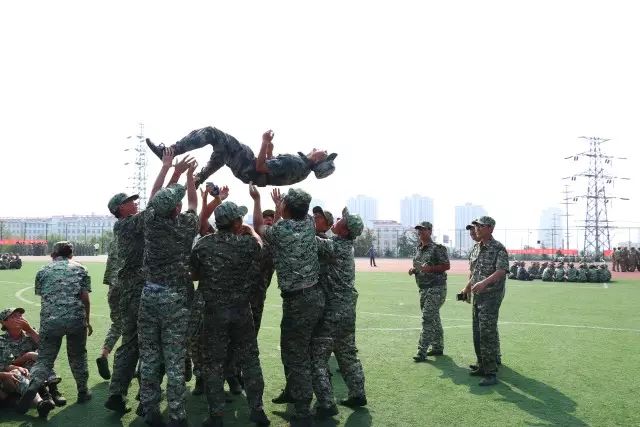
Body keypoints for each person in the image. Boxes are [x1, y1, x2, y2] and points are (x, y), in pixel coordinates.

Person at [106, 149, 192, 414]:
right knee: (143, 345)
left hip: (132, 289)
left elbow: (158, 204)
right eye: (129, 201)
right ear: (119, 210)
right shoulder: (128, 224)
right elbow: (158, 202)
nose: (135, 203)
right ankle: (140, 398)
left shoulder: (130, 225)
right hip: (138, 291)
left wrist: (174, 173)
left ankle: (120, 394)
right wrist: (170, 170)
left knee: (136, 344)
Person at [250, 184, 325, 427]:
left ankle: (303, 410)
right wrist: (281, 206)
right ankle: (298, 393)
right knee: (302, 350)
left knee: (296, 354)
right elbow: (285, 224)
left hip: (297, 302)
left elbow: (260, 227)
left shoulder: (281, 229)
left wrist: (257, 200)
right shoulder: (309, 225)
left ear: (287, 208)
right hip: (314, 297)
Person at [190, 201, 270, 427]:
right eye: (239, 219)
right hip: (242, 312)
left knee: (213, 364)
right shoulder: (247, 244)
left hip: (214, 313)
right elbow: (260, 245)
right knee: (250, 361)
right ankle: (257, 410)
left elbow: (194, 274)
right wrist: (252, 230)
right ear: (235, 223)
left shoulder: (203, 245)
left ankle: (216, 415)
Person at [137, 159, 199, 427]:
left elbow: (154, 198)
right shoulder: (185, 226)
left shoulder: (150, 222)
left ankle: (149, 408)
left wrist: (170, 171)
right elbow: (195, 205)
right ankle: (176, 414)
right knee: (175, 357)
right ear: (177, 208)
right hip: (174, 298)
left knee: (150, 356)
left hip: (149, 296)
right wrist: (190, 179)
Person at [16, 241, 93, 414]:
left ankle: (33, 386)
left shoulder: (43, 271)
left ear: (53, 254)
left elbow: (43, 295)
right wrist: (87, 320)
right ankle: (83, 392)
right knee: (78, 356)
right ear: (71, 254)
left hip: (51, 322)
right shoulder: (81, 269)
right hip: (75, 320)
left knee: (44, 358)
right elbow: (85, 299)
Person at [146, 127, 337, 187]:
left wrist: (263, 142)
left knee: (213, 134)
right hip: (248, 172)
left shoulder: (296, 163)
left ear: (318, 161)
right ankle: (197, 180)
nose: (322, 149)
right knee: (221, 153)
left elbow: (262, 167)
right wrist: (269, 149)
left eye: (324, 154)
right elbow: (270, 166)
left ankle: (169, 151)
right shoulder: (300, 168)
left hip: (249, 167)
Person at [460, 216, 508, 387]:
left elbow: (501, 271)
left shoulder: (498, 248)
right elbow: (474, 272)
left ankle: (490, 372)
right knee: (477, 332)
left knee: (486, 333)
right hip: (478, 295)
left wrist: (483, 283)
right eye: (476, 226)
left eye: (480, 226)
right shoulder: (476, 248)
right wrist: (467, 287)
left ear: (490, 228)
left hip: (491, 296)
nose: (477, 229)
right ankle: (482, 364)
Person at [0, 307, 65, 408]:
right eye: (13, 316)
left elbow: (48, 350)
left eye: (20, 315)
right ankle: (43, 397)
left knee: (41, 354)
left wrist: (29, 330)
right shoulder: (2, 341)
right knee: (30, 360)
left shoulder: (31, 333)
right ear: (4, 323)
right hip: (16, 376)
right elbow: (5, 366)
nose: (19, 318)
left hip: (35, 370)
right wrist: (26, 356)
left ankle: (53, 390)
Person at [408, 221, 450, 362]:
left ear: (430, 231)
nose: (420, 232)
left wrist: (430, 269)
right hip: (423, 288)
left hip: (436, 287)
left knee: (427, 317)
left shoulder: (438, 248)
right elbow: (420, 266)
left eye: (423, 230)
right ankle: (437, 347)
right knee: (433, 317)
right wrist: (415, 270)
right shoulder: (419, 248)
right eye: (419, 230)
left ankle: (422, 351)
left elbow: (446, 265)